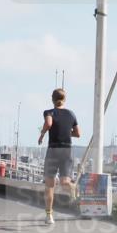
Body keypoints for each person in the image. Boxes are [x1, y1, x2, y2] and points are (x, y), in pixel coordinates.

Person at [38, 88, 80, 225]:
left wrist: (42, 134)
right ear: (64, 99)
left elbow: (49, 123)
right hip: (67, 150)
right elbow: (78, 133)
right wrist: (67, 132)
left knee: (50, 184)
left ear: (52, 99)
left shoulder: (49, 112)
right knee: (64, 182)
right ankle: (73, 187)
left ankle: (49, 216)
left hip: (54, 149)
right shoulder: (71, 114)